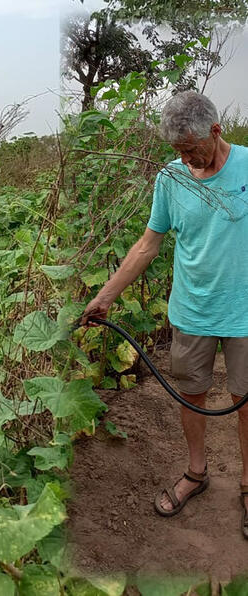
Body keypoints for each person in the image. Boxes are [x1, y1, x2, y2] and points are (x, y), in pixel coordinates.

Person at [81, 91, 248, 536]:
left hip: (244, 313)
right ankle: (197, 472)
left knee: (245, 399)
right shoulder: (172, 178)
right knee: (190, 394)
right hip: (192, 310)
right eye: (179, 151)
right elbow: (148, 245)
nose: (188, 158)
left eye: (192, 148)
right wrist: (107, 295)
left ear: (216, 130)